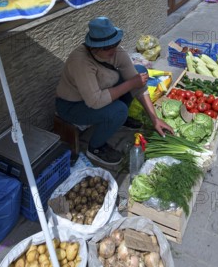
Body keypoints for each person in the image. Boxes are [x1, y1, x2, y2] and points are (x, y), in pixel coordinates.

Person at [55, 17, 174, 168]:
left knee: (139, 71)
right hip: (73, 105)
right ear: (93, 47)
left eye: (115, 44)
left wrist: (154, 119)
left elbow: (139, 85)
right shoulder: (81, 62)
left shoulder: (117, 52)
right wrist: (131, 83)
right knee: (119, 110)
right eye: (106, 47)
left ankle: (119, 120)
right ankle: (95, 147)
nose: (113, 49)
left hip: (99, 93)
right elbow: (95, 101)